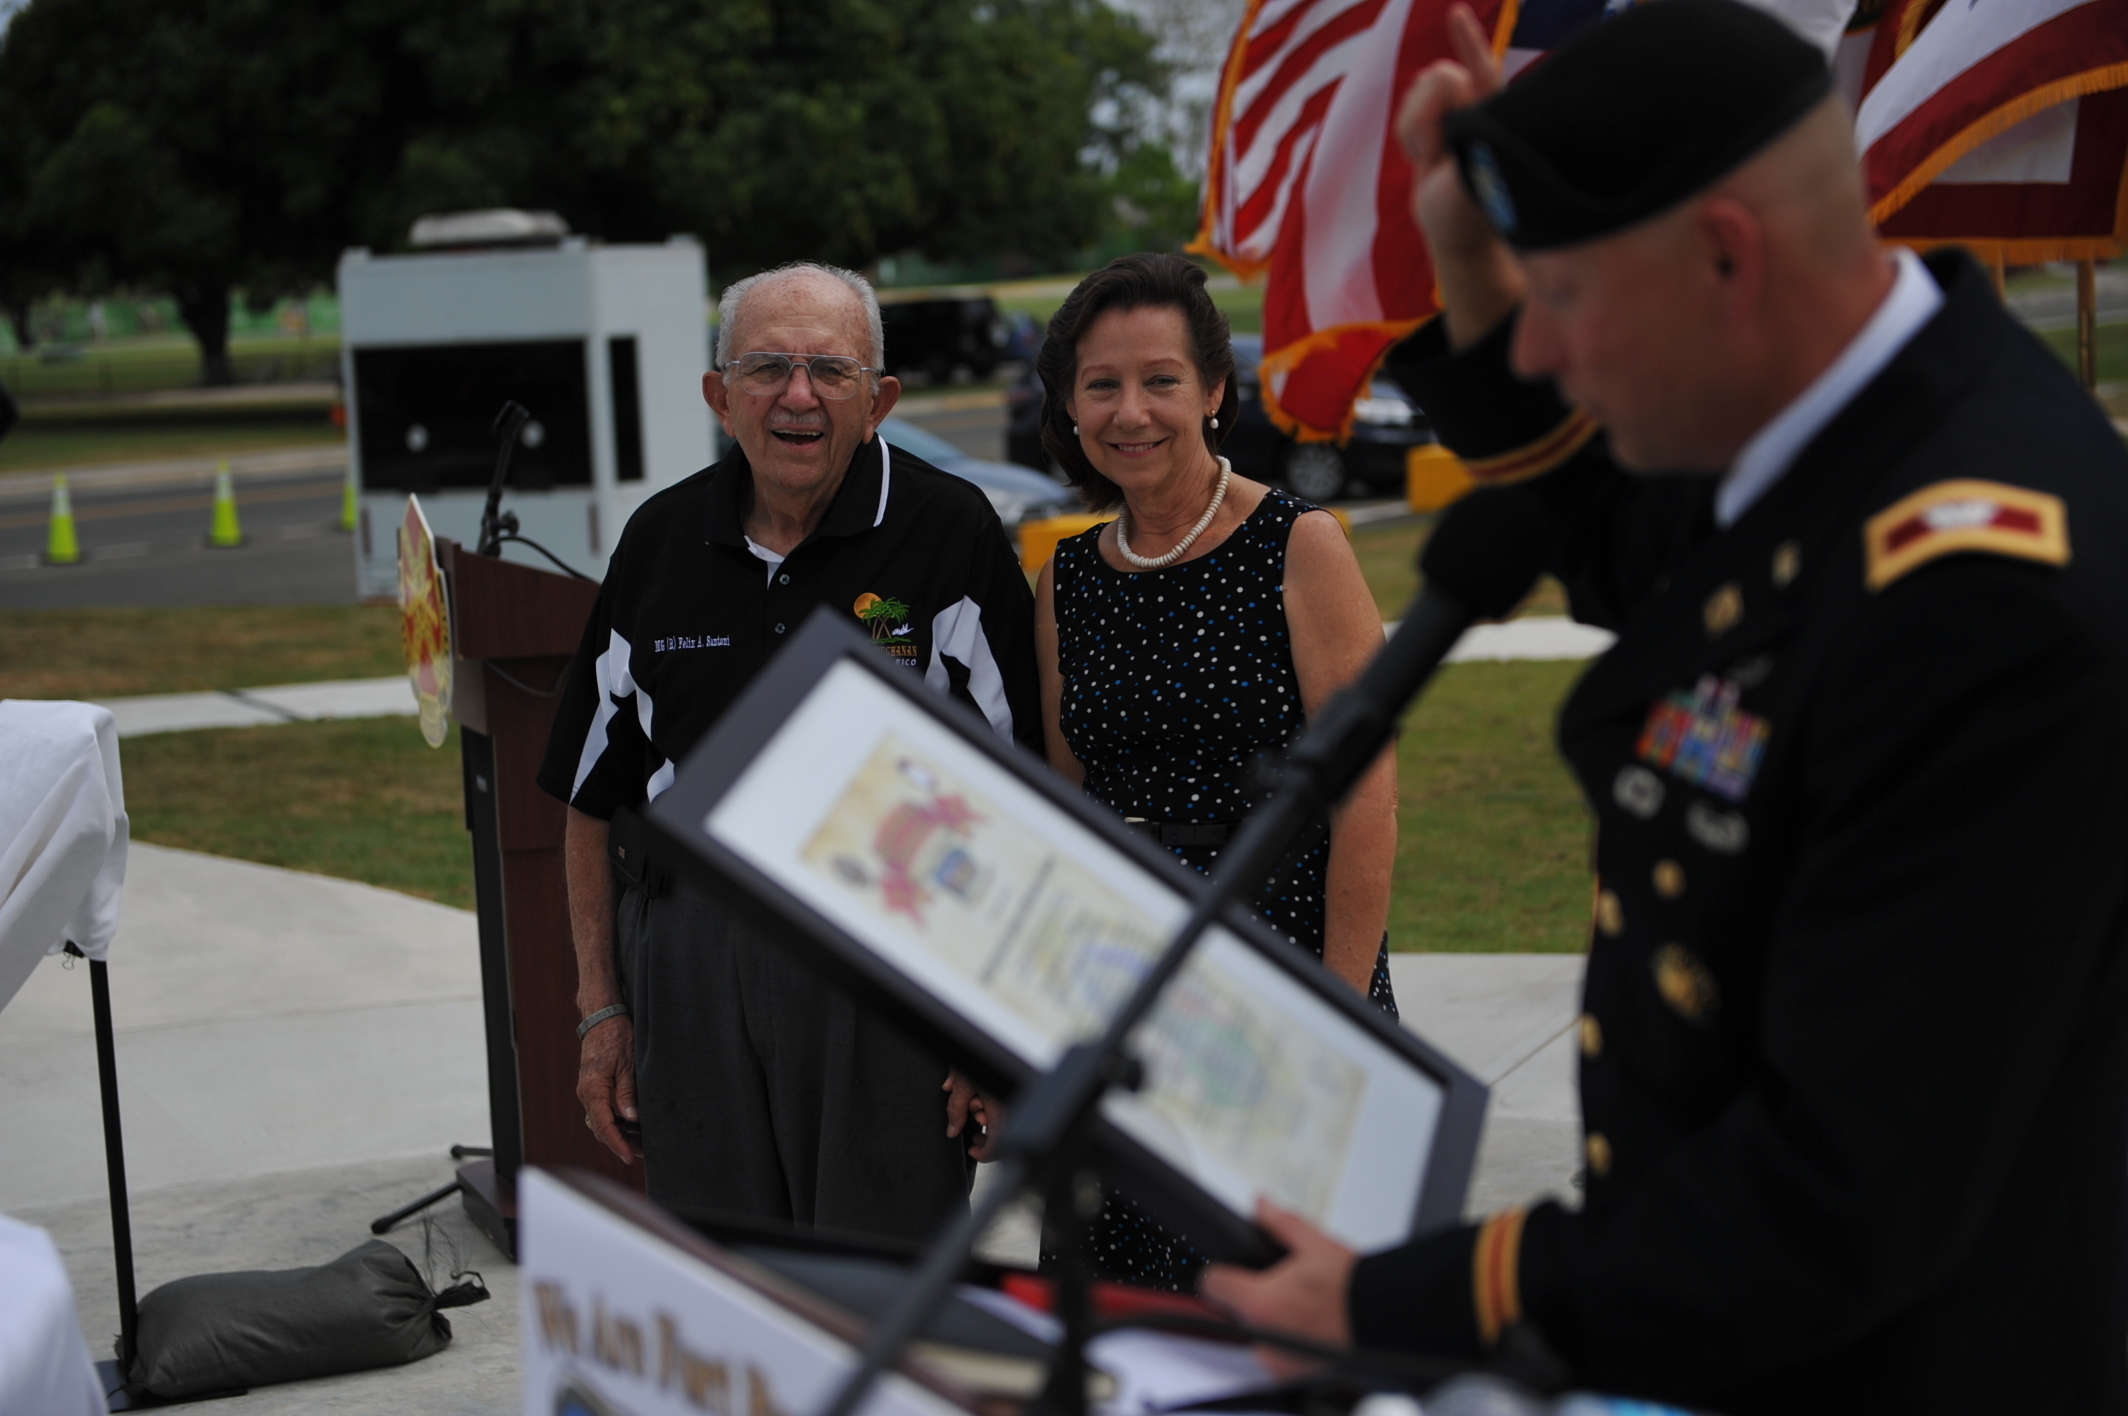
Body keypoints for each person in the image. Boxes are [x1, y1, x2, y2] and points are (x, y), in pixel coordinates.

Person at [1201, 2, 2128, 1410]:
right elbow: (1625, 533)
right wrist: (1472, 248)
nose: (1548, 358)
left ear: (1724, 256)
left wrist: (1405, 1296)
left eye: (1564, 302)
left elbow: (1840, 1199)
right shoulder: (1843, 424)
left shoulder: (1977, 594)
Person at [537, 261, 1043, 1241]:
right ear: (719, 397)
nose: (797, 395)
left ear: (879, 399)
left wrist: (998, 1026)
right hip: (689, 967)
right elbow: (591, 799)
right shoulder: (659, 541)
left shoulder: (947, 532)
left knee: (882, 1289)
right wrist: (602, 1012)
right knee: (730, 1286)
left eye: (830, 370)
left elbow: (1026, 795)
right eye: (765, 368)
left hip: (888, 959)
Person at [1032, 253, 1400, 1290]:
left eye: (1160, 380)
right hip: (1125, 991)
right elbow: (1067, 810)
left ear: (1214, 391)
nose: (1130, 411)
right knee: (1127, 1312)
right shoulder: (1066, 579)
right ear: (1069, 403)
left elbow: (1364, 796)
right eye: (1100, 385)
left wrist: (1339, 1011)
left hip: (1277, 972)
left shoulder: (1299, 544)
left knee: (1268, 1304)